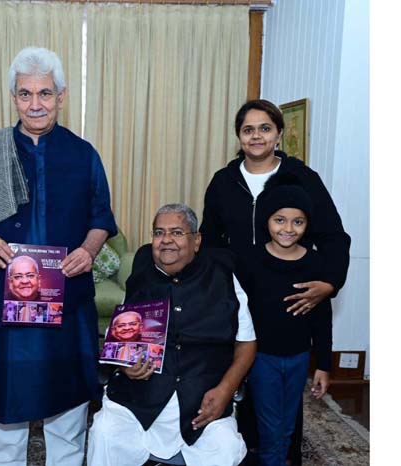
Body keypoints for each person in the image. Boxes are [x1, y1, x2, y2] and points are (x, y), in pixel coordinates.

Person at [0, 46, 117, 466]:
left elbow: (101, 217)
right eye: (25, 94)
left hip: (67, 301)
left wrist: (88, 250)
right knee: (5, 409)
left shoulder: (83, 154)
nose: (35, 104)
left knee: (67, 411)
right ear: (13, 98)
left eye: (44, 93)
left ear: (61, 96)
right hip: (6, 303)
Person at [200, 99, 350, 464]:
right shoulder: (223, 182)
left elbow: (334, 236)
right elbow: (211, 241)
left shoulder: (303, 178)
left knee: (284, 395)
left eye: (265, 128)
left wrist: (329, 283)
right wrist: (214, 291)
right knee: (241, 379)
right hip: (239, 296)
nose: (257, 136)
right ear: (238, 136)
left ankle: (282, 456)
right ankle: (241, 451)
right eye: (248, 129)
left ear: (279, 134)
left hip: (289, 300)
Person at [88, 204, 256, 466]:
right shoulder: (139, 280)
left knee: (226, 448)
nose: (166, 240)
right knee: (104, 434)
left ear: (196, 240)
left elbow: (247, 343)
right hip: (139, 399)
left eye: (177, 232)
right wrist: (124, 365)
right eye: (159, 233)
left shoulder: (224, 279)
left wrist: (226, 389)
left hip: (203, 400)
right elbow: (117, 341)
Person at [236, 175, 332, 466]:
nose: (288, 229)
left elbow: (322, 317)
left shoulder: (315, 262)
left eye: (297, 222)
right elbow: (237, 311)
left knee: (288, 424)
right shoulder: (250, 260)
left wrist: (324, 364)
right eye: (280, 220)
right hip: (261, 357)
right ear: (267, 220)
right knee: (269, 425)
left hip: (299, 357)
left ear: (306, 224)